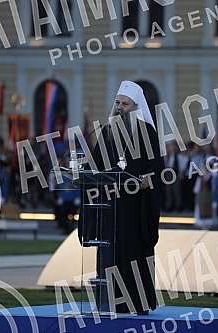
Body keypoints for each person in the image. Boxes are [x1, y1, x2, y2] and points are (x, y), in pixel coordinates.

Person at [78, 80, 164, 315]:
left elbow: (158, 167)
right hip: (110, 207)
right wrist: (82, 176)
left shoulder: (147, 132)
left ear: (136, 107)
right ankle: (107, 302)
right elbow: (95, 165)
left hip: (135, 208)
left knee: (133, 256)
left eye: (125, 104)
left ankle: (137, 302)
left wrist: (149, 178)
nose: (119, 107)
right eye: (117, 103)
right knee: (109, 254)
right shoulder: (106, 132)